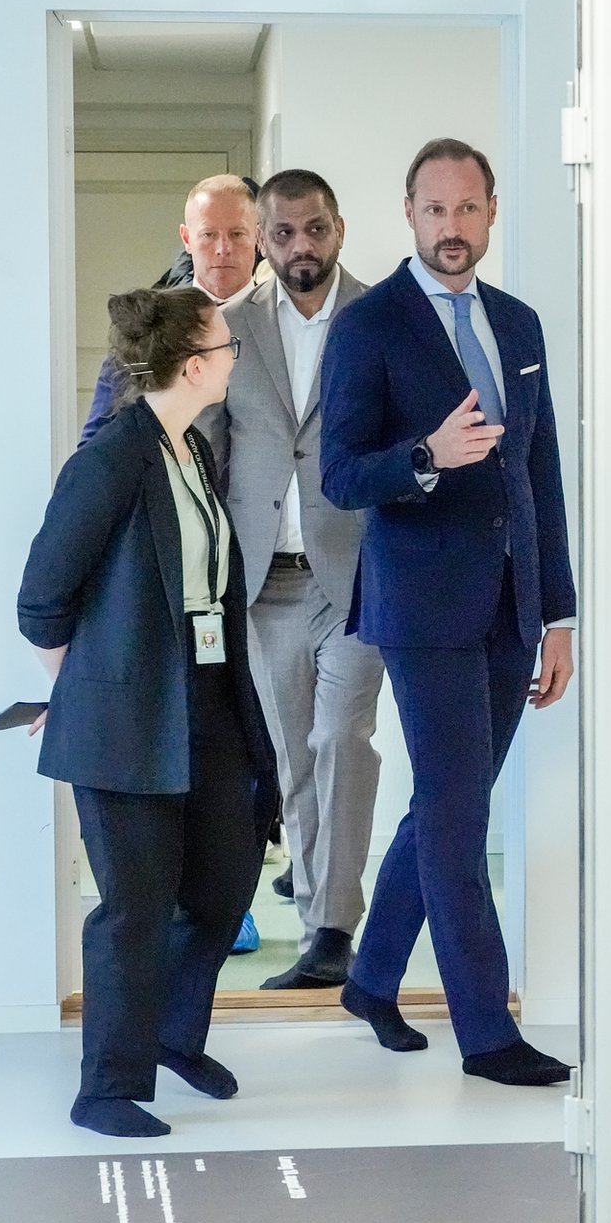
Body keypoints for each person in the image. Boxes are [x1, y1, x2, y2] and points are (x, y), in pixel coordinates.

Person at [319, 138, 576, 1087]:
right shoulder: (369, 326)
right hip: (422, 608)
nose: (452, 227)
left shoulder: (518, 323)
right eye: (435, 210)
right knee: (461, 818)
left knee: (445, 803)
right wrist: (426, 455)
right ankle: (487, 1032)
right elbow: (341, 475)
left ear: (492, 212)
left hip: (513, 605)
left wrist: (559, 615)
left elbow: (540, 471)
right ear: (409, 214)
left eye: (468, 209)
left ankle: (371, 979)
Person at [19, 287, 280, 1137]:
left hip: (205, 700)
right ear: (194, 366)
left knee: (221, 884)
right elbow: (40, 601)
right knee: (133, 907)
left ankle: (172, 1037)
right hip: (125, 720)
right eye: (226, 347)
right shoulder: (109, 460)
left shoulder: (190, 448)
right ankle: (105, 1087)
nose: (235, 357)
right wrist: (82, 686)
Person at [208, 169, 386, 990]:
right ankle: (319, 920)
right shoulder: (228, 326)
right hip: (265, 582)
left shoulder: (381, 317)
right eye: (283, 233)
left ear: (338, 229)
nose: (301, 246)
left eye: (315, 229)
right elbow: (207, 449)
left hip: (358, 576)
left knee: (341, 739)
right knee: (295, 758)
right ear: (264, 240)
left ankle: (334, 928)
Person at [79, 175, 262, 447]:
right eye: (208, 234)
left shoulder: (282, 320)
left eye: (237, 234)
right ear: (186, 238)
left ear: (258, 236)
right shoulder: (149, 323)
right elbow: (96, 445)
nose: (223, 249)